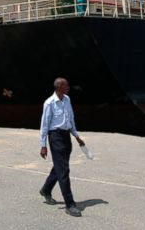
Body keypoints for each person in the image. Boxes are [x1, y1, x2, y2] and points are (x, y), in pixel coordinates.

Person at [39, 77, 85, 217]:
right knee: (64, 170)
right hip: (56, 137)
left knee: (60, 166)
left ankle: (46, 189)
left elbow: (71, 119)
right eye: (66, 85)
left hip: (66, 136)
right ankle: (70, 204)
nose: (68, 87)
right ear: (59, 87)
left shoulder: (67, 99)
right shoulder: (49, 103)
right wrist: (43, 145)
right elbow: (44, 125)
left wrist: (76, 136)